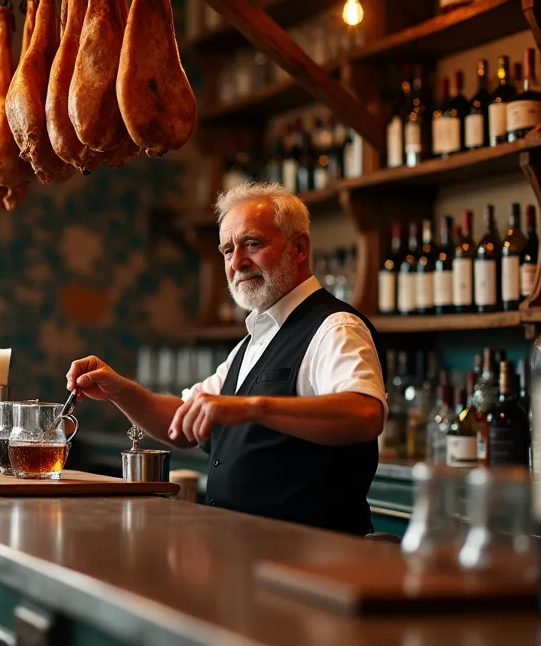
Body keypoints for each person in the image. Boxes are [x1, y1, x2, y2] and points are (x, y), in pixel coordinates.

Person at [67, 182, 387, 536]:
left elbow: (365, 414)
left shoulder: (335, 327)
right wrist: (119, 390)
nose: (237, 262)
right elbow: (185, 421)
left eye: (253, 243)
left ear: (299, 248)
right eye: (227, 250)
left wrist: (252, 407)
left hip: (314, 562)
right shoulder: (254, 340)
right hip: (246, 554)